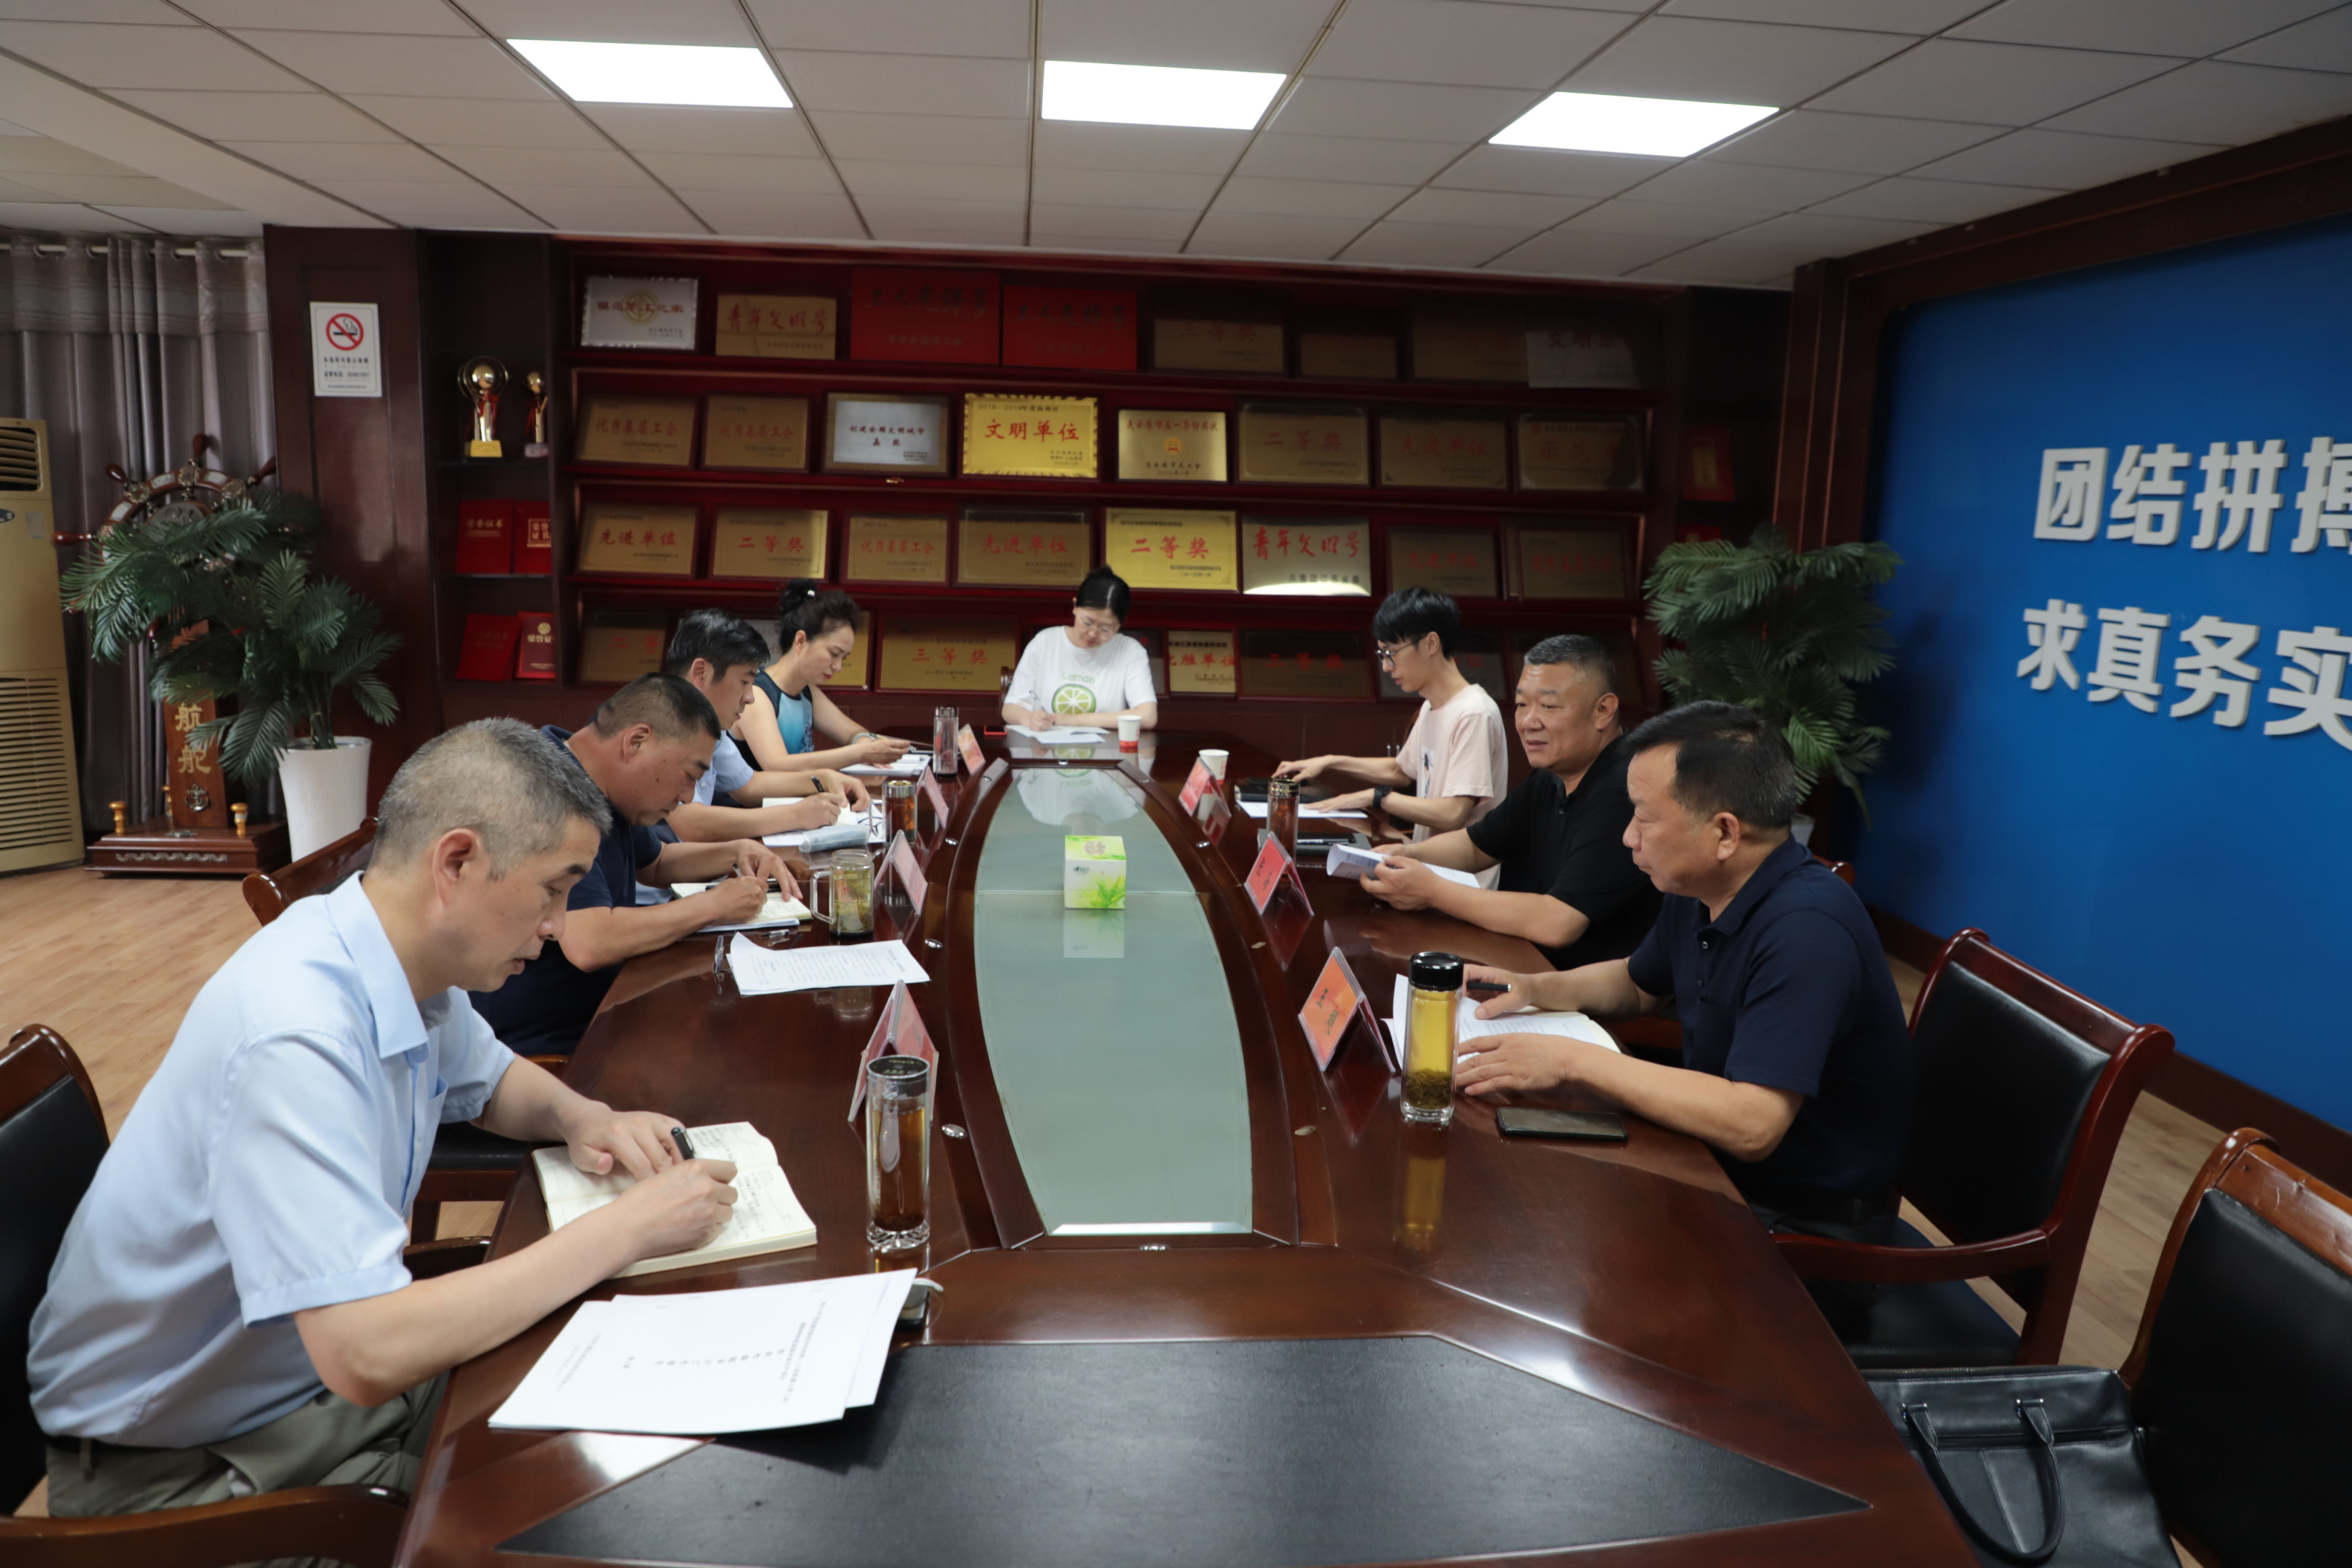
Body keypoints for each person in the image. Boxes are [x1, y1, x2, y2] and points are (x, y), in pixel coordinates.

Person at [27, 719, 742, 1520]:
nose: (557, 923)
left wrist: (585, 1117)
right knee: (560, 1508)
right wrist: (627, 1230)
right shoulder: (296, 1034)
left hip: (306, 1395)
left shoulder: (390, 950)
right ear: (457, 862)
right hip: (188, 1471)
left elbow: (492, 1081)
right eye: (553, 889)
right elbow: (365, 1351)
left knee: (620, 1431)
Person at [1454, 701, 1914, 1337]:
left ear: (1725, 833)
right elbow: (1637, 984)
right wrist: (1535, 988)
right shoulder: (1703, 886)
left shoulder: (1807, 930)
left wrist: (1572, 1060)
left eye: (1644, 818)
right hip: (1719, 1174)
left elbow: (1753, 1123)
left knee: (1564, 1283)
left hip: (1808, 1234)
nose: (1628, 837)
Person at [468, 674, 797, 1054]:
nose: (687, 796)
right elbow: (590, 942)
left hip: (609, 1004)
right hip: (547, 1045)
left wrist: (737, 850)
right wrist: (713, 905)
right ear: (637, 742)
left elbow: (657, 863)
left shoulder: (596, 778)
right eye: (689, 775)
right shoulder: (550, 796)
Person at [1360, 634, 1658, 969]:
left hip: (1595, 987)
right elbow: (1478, 845)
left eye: (1548, 706)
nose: (1529, 722)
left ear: (1603, 711)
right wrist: (1409, 855)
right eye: (1521, 705)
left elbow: (1559, 922)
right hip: (1533, 965)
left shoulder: (1626, 788)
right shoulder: (1551, 776)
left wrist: (1432, 891)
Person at [1273, 587, 1507, 877]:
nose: (1386, 667)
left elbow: (1453, 813)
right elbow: (1402, 771)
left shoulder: (1474, 713)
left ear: (1431, 643)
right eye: (1382, 654)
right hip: (1426, 873)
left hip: (1460, 884)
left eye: (1392, 653)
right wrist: (1331, 761)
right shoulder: (1432, 707)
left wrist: (1378, 797)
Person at [738, 580, 912, 776]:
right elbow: (777, 764)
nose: (838, 667)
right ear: (801, 641)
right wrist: (861, 753)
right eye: (834, 654)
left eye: (843, 658)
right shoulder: (757, 694)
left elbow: (853, 733)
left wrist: (865, 744)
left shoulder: (806, 691)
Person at [1000, 567, 1157, 732]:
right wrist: (1030, 719)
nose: (1092, 634)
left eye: (1105, 629)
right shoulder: (1046, 642)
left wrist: (1075, 720)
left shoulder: (1130, 651)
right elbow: (1010, 709)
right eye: (1087, 623)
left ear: (1119, 625)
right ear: (1075, 607)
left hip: (1106, 747)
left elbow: (1148, 716)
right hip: (1046, 745)